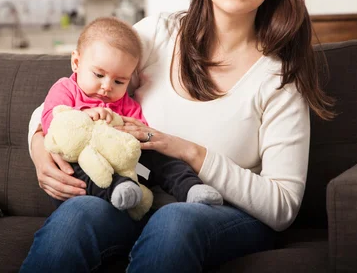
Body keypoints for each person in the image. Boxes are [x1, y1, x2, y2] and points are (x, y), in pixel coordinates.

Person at [21, 0, 334, 273]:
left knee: (176, 221)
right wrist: (40, 147)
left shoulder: (281, 77)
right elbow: (69, 97)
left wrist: (186, 151)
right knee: (77, 214)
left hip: (225, 216)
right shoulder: (158, 34)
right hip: (142, 196)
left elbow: (282, 206)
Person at [39, 17, 223, 213]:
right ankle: (118, 188)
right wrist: (85, 115)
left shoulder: (126, 104)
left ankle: (190, 188)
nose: (107, 86)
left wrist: (133, 134)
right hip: (83, 170)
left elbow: (139, 136)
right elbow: (51, 121)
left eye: (119, 82)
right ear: (76, 62)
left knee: (159, 157)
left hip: (123, 166)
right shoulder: (66, 89)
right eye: (99, 75)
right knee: (73, 166)